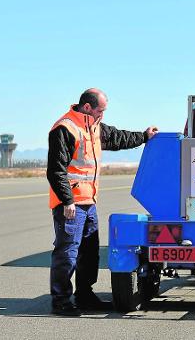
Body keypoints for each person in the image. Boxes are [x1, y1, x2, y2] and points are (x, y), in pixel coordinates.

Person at [46, 88, 158, 316]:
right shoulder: (65, 128)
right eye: (101, 110)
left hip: (89, 202)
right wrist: (67, 201)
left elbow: (119, 138)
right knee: (67, 252)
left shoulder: (95, 127)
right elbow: (55, 170)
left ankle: (84, 295)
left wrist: (144, 136)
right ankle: (61, 301)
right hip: (70, 204)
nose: (103, 115)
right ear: (87, 107)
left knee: (89, 252)